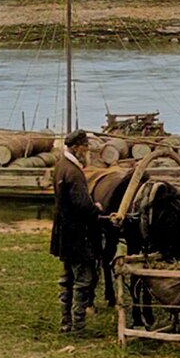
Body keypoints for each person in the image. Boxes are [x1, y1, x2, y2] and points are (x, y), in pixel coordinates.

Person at [50, 128, 102, 333]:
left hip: (64, 232)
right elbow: (82, 204)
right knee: (83, 279)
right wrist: (96, 209)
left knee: (67, 278)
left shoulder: (60, 166)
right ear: (77, 147)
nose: (87, 151)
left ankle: (66, 322)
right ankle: (78, 325)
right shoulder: (73, 172)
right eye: (86, 147)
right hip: (78, 234)